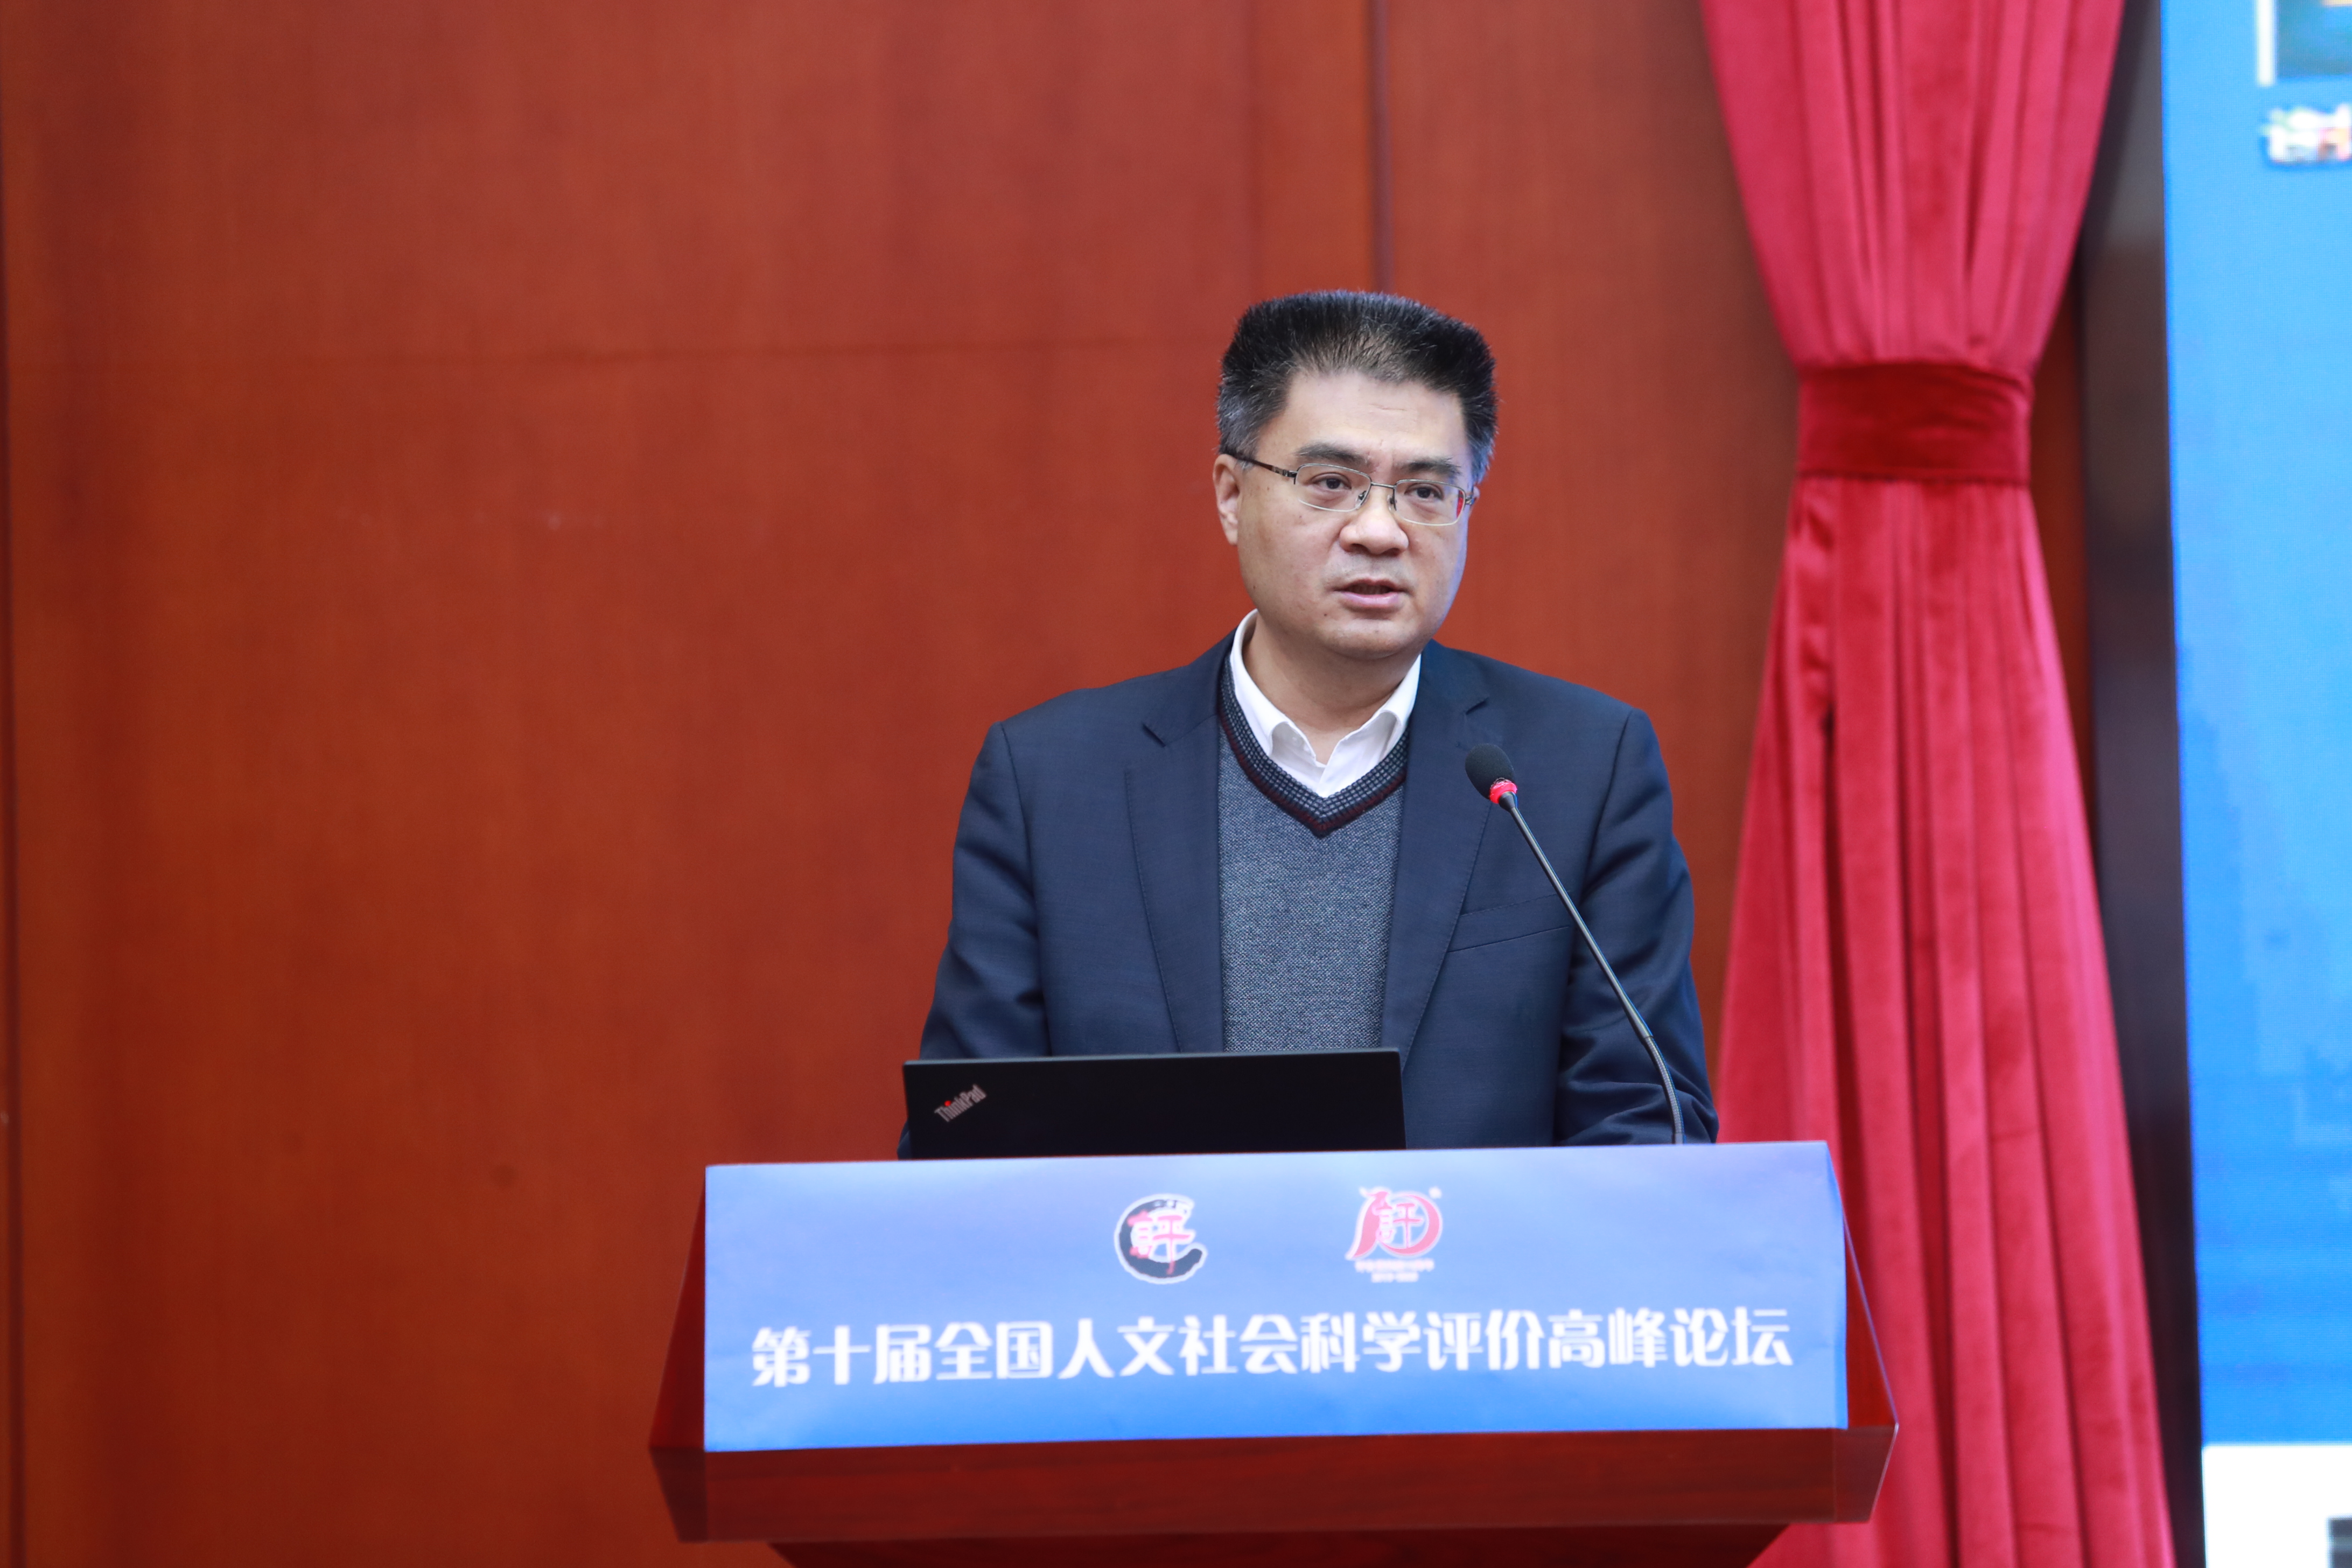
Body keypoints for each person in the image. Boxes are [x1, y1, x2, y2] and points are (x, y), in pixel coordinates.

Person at [915, 291, 1714, 1146]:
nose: (1380, 532)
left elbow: (1646, 1124)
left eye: (1425, 491)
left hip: (1461, 1243)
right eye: (1331, 484)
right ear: (1231, 495)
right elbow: (966, 1125)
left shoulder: (1582, 770)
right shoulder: (1052, 782)